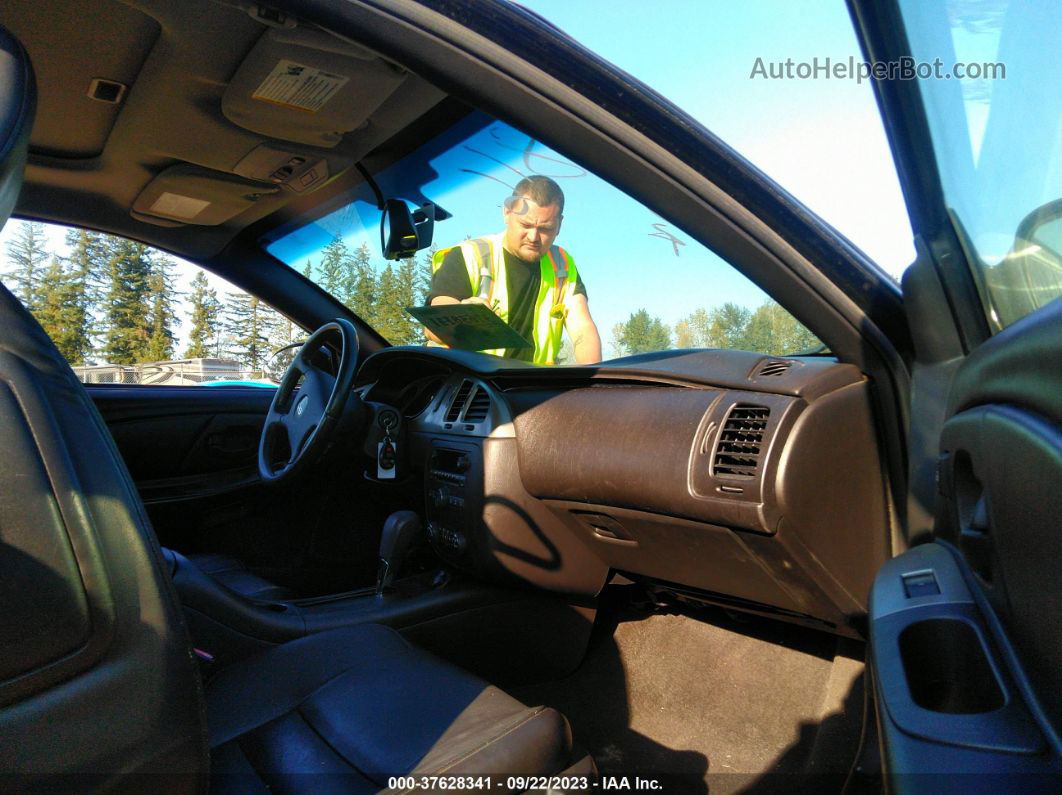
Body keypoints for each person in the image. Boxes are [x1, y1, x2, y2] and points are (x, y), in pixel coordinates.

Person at [425, 176, 602, 364]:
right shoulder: (470, 254)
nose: (533, 237)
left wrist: (595, 386)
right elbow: (433, 325)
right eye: (525, 225)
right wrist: (464, 315)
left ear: (559, 225)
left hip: (530, 387)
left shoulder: (562, 265)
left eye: (545, 229)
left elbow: (583, 330)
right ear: (507, 213)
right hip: (466, 383)